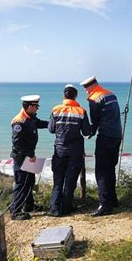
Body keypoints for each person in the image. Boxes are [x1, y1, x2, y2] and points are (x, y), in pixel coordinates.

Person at [80, 76, 122, 217]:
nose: (86, 92)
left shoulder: (95, 98)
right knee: (110, 168)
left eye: (86, 89)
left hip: (105, 137)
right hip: (117, 135)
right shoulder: (110, 93)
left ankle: (104, 205)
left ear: (90, 87)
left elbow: (95, 120)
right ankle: (112, 199)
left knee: (101, 171)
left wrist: (91, 132)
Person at [47, 84, 91, 217]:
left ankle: (54, 208)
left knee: (58, 179)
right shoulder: (81, 111)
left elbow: (51, 129)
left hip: (59, 150)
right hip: (75, 152)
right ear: (75, 96)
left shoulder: (56, 110)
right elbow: (86, 131)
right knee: (70, 180)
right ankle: (66, 208)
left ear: (64, 96)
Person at [9, 95, 49, 220]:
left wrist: (53, 124)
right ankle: (15, 211)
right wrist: (30, 155)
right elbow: (17, 143)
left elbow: (39, 123)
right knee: (22, 184)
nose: (37, 108)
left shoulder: (30, 117)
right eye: (36, 106)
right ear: (30, 106)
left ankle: (29, 205)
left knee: (29, 182)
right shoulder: (19, 121)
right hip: (22, 157)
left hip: (29, 155)